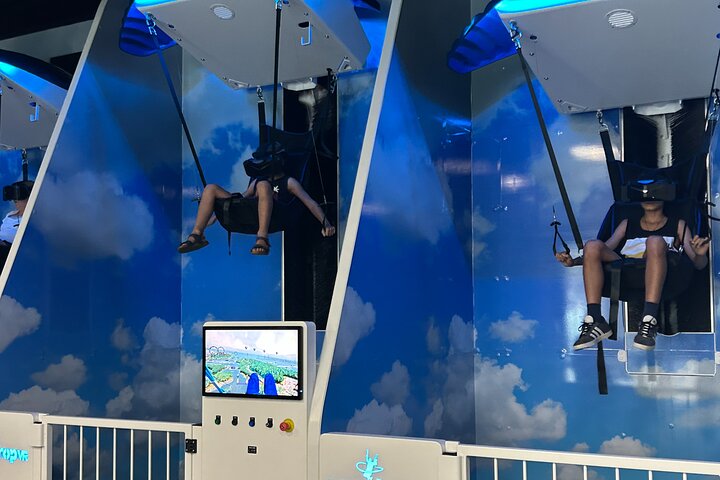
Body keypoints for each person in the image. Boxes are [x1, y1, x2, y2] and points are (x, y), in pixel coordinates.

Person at [556, 200, 710, 351]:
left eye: (654, 194)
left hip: (662, 273)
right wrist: (574, 262)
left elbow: (699, 264)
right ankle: (595, 319)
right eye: (645, 195)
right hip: (626, 270)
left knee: (655, 241)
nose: (650, 199)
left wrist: (700, 254)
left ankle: (649, 320)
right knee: (592, 245)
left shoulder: (678, 225)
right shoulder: (627, 223)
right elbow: (600, 251)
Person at [178, 173, 335, 256]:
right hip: (248, 213)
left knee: (264, 185)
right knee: (210, 188)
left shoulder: (289, 182)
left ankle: (262, 239)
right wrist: (213, 216)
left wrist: (326, 223)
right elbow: (241, 199)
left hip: (276, 217)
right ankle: (197, 235)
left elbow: (310, 203)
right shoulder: (257, 181)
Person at [0, 180, 32, 267]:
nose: (15, 201)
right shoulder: (9, 215)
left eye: (19, 198)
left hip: (10, 256)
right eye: (14, 199)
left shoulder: (32, 219)